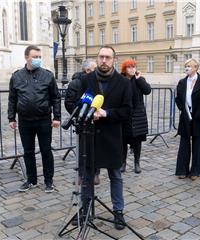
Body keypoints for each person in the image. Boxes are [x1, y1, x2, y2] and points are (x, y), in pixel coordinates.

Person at [75, 45, 132, 230]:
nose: (104, 60)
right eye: (101, 57)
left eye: (108, 57)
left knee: (115, 176)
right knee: (87, 175)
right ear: (97, 58)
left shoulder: (123, 83)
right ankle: (85, 210)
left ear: (114, 60)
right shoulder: (86, 79)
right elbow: (78, 103)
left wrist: (106, 113)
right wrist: (86, 114)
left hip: (112, 136)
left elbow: (127, 111)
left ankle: (118, 212)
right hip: (89, 136)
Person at [8, 45, 61, 193]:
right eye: (35, 57)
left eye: (39, 57)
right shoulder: (17, 76)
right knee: (28, 151)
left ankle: (49, 181)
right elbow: (12, 98)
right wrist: (11, 117)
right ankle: (31, 180)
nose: (38, 59)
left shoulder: (48, 75)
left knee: (46, 151)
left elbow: (56, 97)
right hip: (25, 120)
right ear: (27, 57)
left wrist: (57, 117)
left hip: (44, 119)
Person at [64, 59, 101, 185]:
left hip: (97, 120)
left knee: (96, 148)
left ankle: (96, 174)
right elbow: (69, 102)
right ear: (87, 70)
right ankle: (80, 174)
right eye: (94, 69)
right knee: (82, 149)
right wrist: (78, 115)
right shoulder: (76, 83)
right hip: (82, 121)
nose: (97, 71)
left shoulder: (99, 82)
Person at [174, 58, 200, 181]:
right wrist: (183, 109)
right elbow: (178, 98)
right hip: (185, 116)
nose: (187, 68)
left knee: (198, 144)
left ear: (196, 67)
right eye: (186, 66)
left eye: (190, 66)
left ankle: (195, 171)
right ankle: (182, 170)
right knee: (184, 143)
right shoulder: (182, 82)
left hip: (199, 117)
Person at [120, 59, 151, 174]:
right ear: (124, 69)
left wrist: (139, 80)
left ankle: (136, 163)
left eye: (133, 67)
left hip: (138, 115)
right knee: (123, 141)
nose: (132, 69)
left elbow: (147, 91)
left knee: (137, 141)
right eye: (129, 67)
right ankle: (122, 163)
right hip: (124, 115)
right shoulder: (120, 79)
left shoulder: (139, 79)